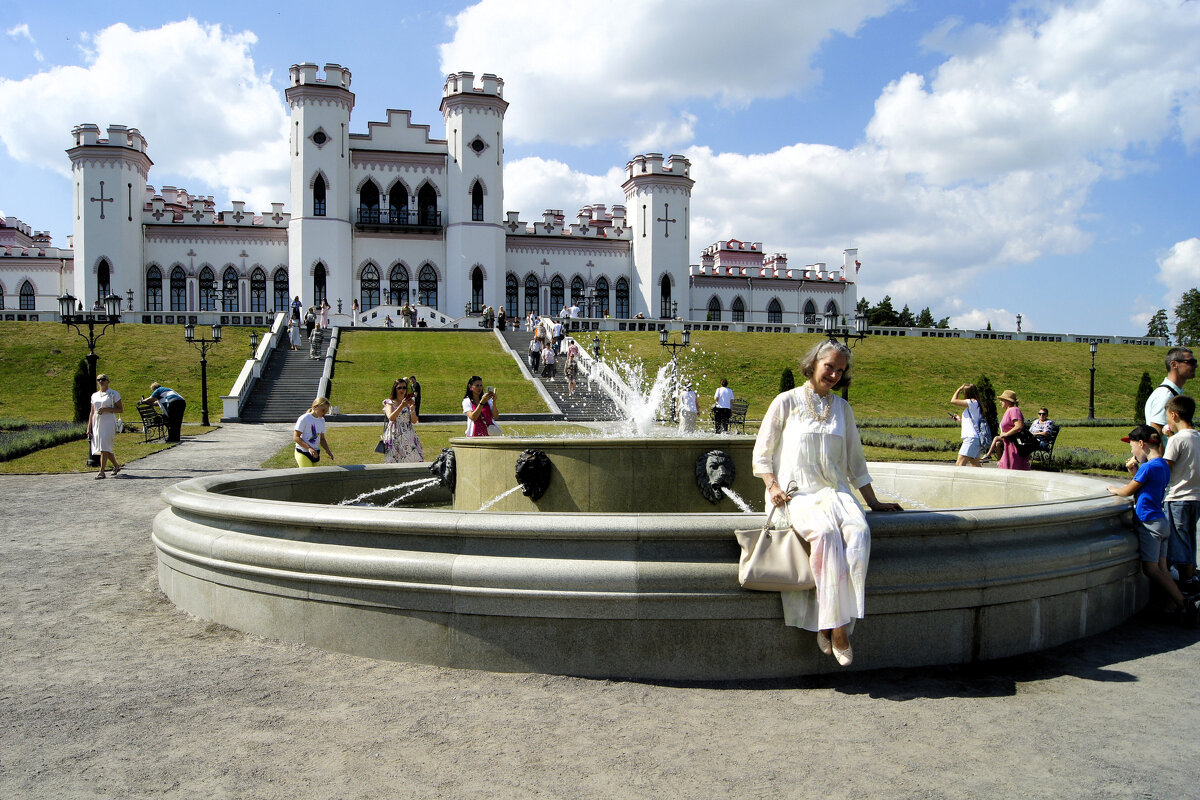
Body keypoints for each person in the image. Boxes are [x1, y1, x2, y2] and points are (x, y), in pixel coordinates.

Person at [752, 340, 902, 666]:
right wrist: (772, 485)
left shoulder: (843, 410)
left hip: (836, 493)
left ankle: (828, 620)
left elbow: (855, 463)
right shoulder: (786, 402)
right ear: (814, 363)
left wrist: (873, 502)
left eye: (840, 370)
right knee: (825, 536)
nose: (833, 374)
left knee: (859, 534)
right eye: (829, 366)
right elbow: (762, 454)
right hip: (796, 494)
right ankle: (839, 629)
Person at [1107, 425, 1196, 625]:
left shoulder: (1148, 467)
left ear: (1142, 444)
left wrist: (1114, 489)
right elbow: (1146, 486)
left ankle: (1184, 604)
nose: (1132, 451)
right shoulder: (1163, 465)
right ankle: (1174, 603)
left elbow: (1128, 491)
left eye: (1132, 446)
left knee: (1151, 570)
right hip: (1161, 521)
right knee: (1163, 570)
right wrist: (1134, 471)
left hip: (1149, 523)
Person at [1163, 395, 1200, 591]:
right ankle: (1191, 573)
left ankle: (1186, 582)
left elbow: (1166, 467)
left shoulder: (1177, 440)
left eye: (1167, 416)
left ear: (1174, 415)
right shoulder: (1197, 436)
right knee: (1190, 536)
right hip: (1196, 497)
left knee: (1178, 540)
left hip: (1178, 496)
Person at [1147, 347, 1196, 437]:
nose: (1195, 366)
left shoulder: (1172, 393)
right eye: (1191, 362)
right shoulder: (1165, 395)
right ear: (1174, 364)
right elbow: (1156, 436)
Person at [87, 374, 123, 479]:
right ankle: (116, 466)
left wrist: (106, 409)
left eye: (103, 379)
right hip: (97, 422)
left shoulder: (113, 394)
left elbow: (120, 409)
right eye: (98, 380)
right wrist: (89, 426)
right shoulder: (94, 395)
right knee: (104, 446)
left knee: (103, 446)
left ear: (108, 381)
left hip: (108, 422)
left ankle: (101, 471)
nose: (101, 382)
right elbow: (92, 411)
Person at [985, 389, 1030, 470]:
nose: (1000, 402)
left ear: (1008, 401)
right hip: (1008, 446)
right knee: (1006, 468)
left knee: (1014, 469)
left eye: (1002, 400)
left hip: (1015, 447)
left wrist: (1006, 434)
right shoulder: (1008, 411)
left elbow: (1019, 426)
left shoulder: (1014, 410)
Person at [382, 378, 424, 463]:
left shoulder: (408, 402)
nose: (402, 390)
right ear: (395, 389)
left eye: (404, 388)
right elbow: (391, 417)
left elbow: (414, 421)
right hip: (395, 433)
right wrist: (402, 405)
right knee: (396, 459)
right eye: (399, 388)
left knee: (413, 458)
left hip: (409, 434)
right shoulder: (389, 402)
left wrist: (412, 409)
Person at [949, 383, 986, 467]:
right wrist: (959, 419)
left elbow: (953, 401)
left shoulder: (972, 402)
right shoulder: (976, 404)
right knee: (975, 464)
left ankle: (959, 480)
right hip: (975, 439)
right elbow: (972, 422)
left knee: (960, 464)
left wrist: (959, 389)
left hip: (971, 439)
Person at [293, 397, 334, 468]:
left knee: (312, 476)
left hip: (315, 453)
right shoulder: (304, 418)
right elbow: (296, 437)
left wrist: (328, 450)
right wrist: (309, 448)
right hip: (303, 452)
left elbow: (322, 439)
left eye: (326, 411)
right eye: (323, 410)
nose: (324, 413)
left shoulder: (322, 420)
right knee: (307, 473)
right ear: (315, 407)